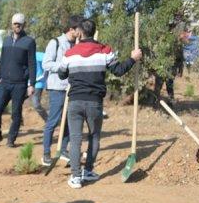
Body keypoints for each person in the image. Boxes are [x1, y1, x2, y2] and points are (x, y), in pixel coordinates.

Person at [57, 18, 142, 188]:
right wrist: (133, 59)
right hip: (95, 102)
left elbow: (61, 74)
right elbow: (118, 70)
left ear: (80, 33)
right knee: (94, 137)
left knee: (75, 139)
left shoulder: (70, 53)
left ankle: (76, 176)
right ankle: (88, 171)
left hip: (75, 101)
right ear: (94, 31)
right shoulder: (105, 51)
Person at [0, 13, 37, 147]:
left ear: (24, 25)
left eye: (20, 24)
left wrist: (31, 84)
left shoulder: (29, 42)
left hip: (20, 84)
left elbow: (32, 64)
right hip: (5, 83)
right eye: (15, 23)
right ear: (12, 24)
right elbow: (2, 62)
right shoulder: (6, 41)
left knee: (16, 113)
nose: (17, 26)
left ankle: (11, 139)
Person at [41, 15, 81, 167]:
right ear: (71, 29)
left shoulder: (77, 44)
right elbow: (46, 64)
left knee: (69, 121)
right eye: (78, 29)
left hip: (71, 88)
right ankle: (46, 153)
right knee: (53, 121)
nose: (80, 32)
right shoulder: (56, 42)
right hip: (57, 88)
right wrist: (64, 66)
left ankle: (63, 149)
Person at [30, 51, 48, 122]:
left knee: (36, 104)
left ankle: (48, 121)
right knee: (17, 102)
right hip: (24, 84)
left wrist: (44, 75)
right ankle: (18, 121)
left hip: (37, 84)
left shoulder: (38, 55)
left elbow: (49, 60)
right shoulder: (21, 55)